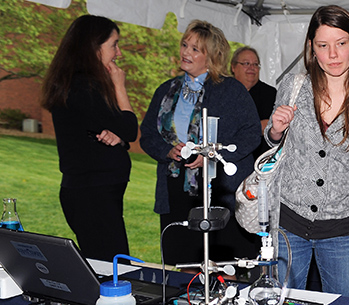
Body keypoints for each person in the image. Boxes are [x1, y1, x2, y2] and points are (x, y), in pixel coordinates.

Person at [264, 5, 349, 297]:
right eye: (323, 46)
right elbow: (273, 144)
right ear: (311, 48)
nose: (333, 55)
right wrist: (275, 129)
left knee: (342, 301)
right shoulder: (293, 86)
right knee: (282, 300)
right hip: (288, 223)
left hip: (343, 232)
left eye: (341, 44)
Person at [140, 20, 261, 270]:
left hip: (219, 191)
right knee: (182, 264)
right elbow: (148, 134)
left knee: (224, 266)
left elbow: (251, 134)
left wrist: (213, 155)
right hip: (175, 188)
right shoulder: (166, 89)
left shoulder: (231, 90)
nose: (186, 52)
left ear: (212, 56)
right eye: (185, 45)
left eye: (195, 49)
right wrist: (167, 151)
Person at [40, 15, 136, 262]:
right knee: (114, 269)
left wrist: (119, 139)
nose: (119, 53)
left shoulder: (75, 84)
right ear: (94, 47)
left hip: (90, 194)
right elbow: (129, 128)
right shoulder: (83, 87)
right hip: (93, 196)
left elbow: (118, 134)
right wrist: (119, 86)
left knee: (104, 263)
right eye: (114, 44)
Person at [231, 46, 277, 159]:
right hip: (228, 157)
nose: (252, 68)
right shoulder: (225, 92)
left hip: (260, 160)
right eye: (246, 63)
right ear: (233, 67)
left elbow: (268, 126)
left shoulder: (269, 93)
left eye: (255, 64)